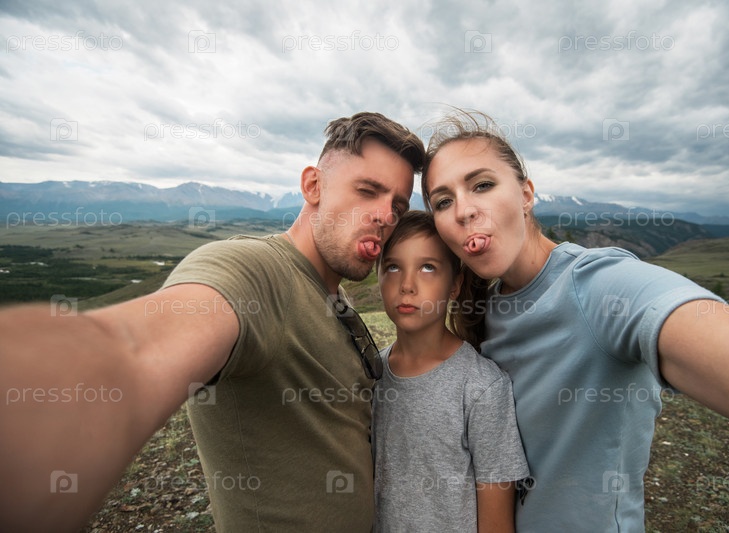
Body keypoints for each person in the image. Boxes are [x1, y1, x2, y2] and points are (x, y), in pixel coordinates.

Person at [0, 112, 425, 532]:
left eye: (398, 205)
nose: (385, 216)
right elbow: (132, 348)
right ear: (313, 186)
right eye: (367, 191)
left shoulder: (332, 293)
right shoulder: (254, 272)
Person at [420, 110, 729, 532]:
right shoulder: (486, 309)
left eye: (482, 185)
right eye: (443, 202)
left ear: (526, 195)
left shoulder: (598, 285)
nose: (464, 211)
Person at [371, 210, 529, 532]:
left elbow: (497, 524)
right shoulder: (370, 374)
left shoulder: (482, 387)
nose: (407, 285)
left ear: (455, 285)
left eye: (428, 267)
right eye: (393, 267)